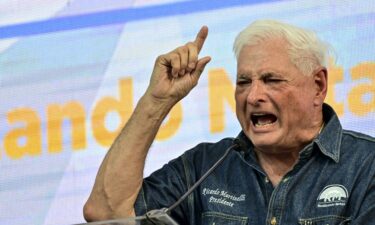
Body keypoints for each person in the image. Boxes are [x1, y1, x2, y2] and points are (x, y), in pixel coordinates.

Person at [83, 20, 375, 225]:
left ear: (318, 86)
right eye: (243, 82)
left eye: (271, 80)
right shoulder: (203, 167)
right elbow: (106, 213)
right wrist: (156, 101)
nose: (253, 96)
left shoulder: (366, 165)